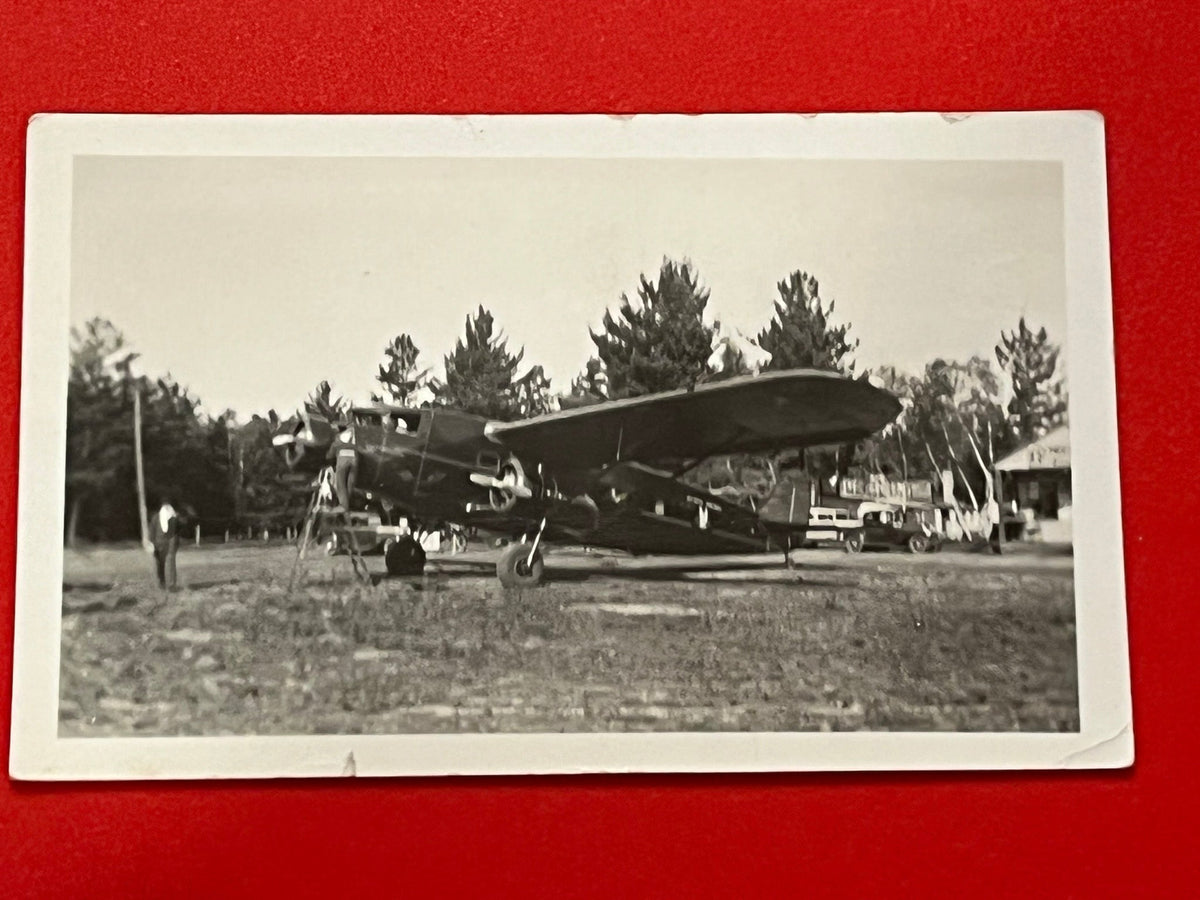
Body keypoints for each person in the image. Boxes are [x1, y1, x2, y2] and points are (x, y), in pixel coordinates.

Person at [150, 497, 180, 590]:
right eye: (164, 506)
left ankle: (172, 585)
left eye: (168, 506)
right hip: (159, 545)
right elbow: (152, 532)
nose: (166, 508)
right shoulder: (156, 518)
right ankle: (161, 583)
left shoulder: (173, 518)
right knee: (160, 565)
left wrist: (173, 547)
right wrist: (153, 545)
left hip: (170, 544)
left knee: (171, 564)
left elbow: (175, 535)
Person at [329, 423, 357, 513]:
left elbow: (330, 455)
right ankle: (349, 504)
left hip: (342, 461)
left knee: (341, 484)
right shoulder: (354, 436)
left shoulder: (338, 438)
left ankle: (344, 506)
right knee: (350, 483)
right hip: (355, 460)